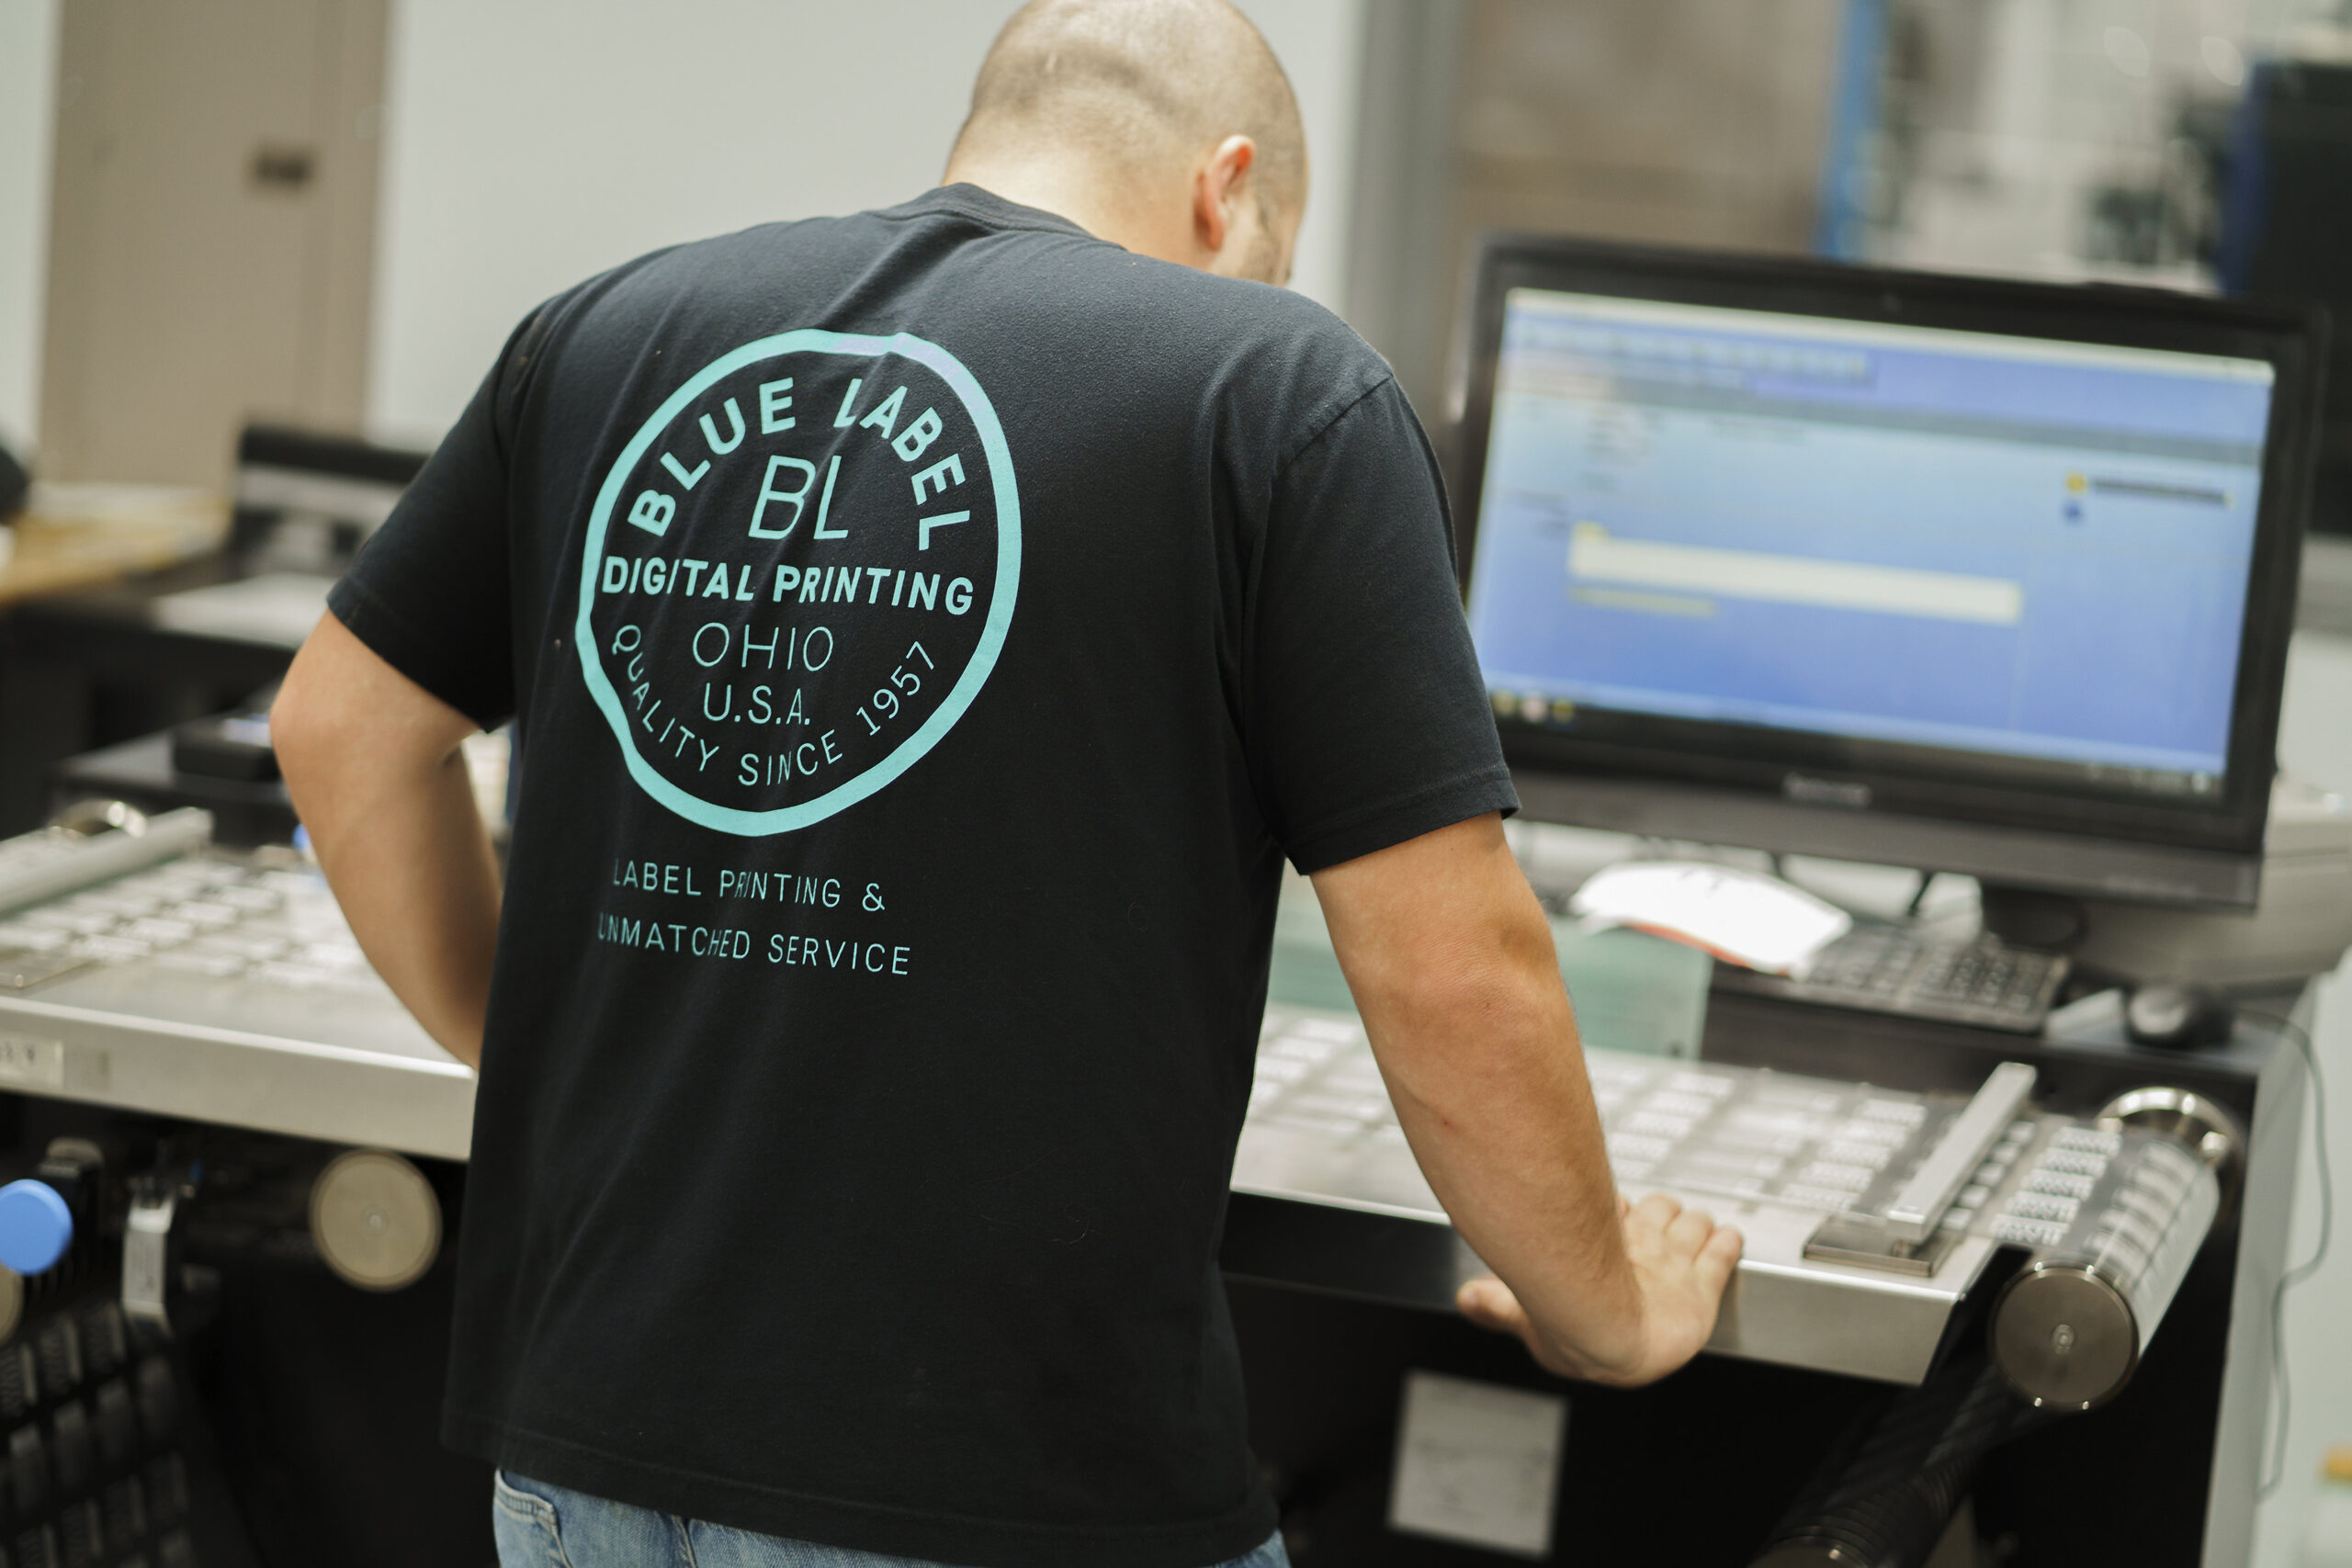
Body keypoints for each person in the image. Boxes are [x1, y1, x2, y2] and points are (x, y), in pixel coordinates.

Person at [271, 1, 1742, 1564]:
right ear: (1225, 189)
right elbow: (1455, 972)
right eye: (1271, 249)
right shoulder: (1277, 388)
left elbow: (338, 734)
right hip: (993, 1489)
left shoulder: (606, 329)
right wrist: (1605, 1310)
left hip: (582, 1455)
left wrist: (559, 1059)